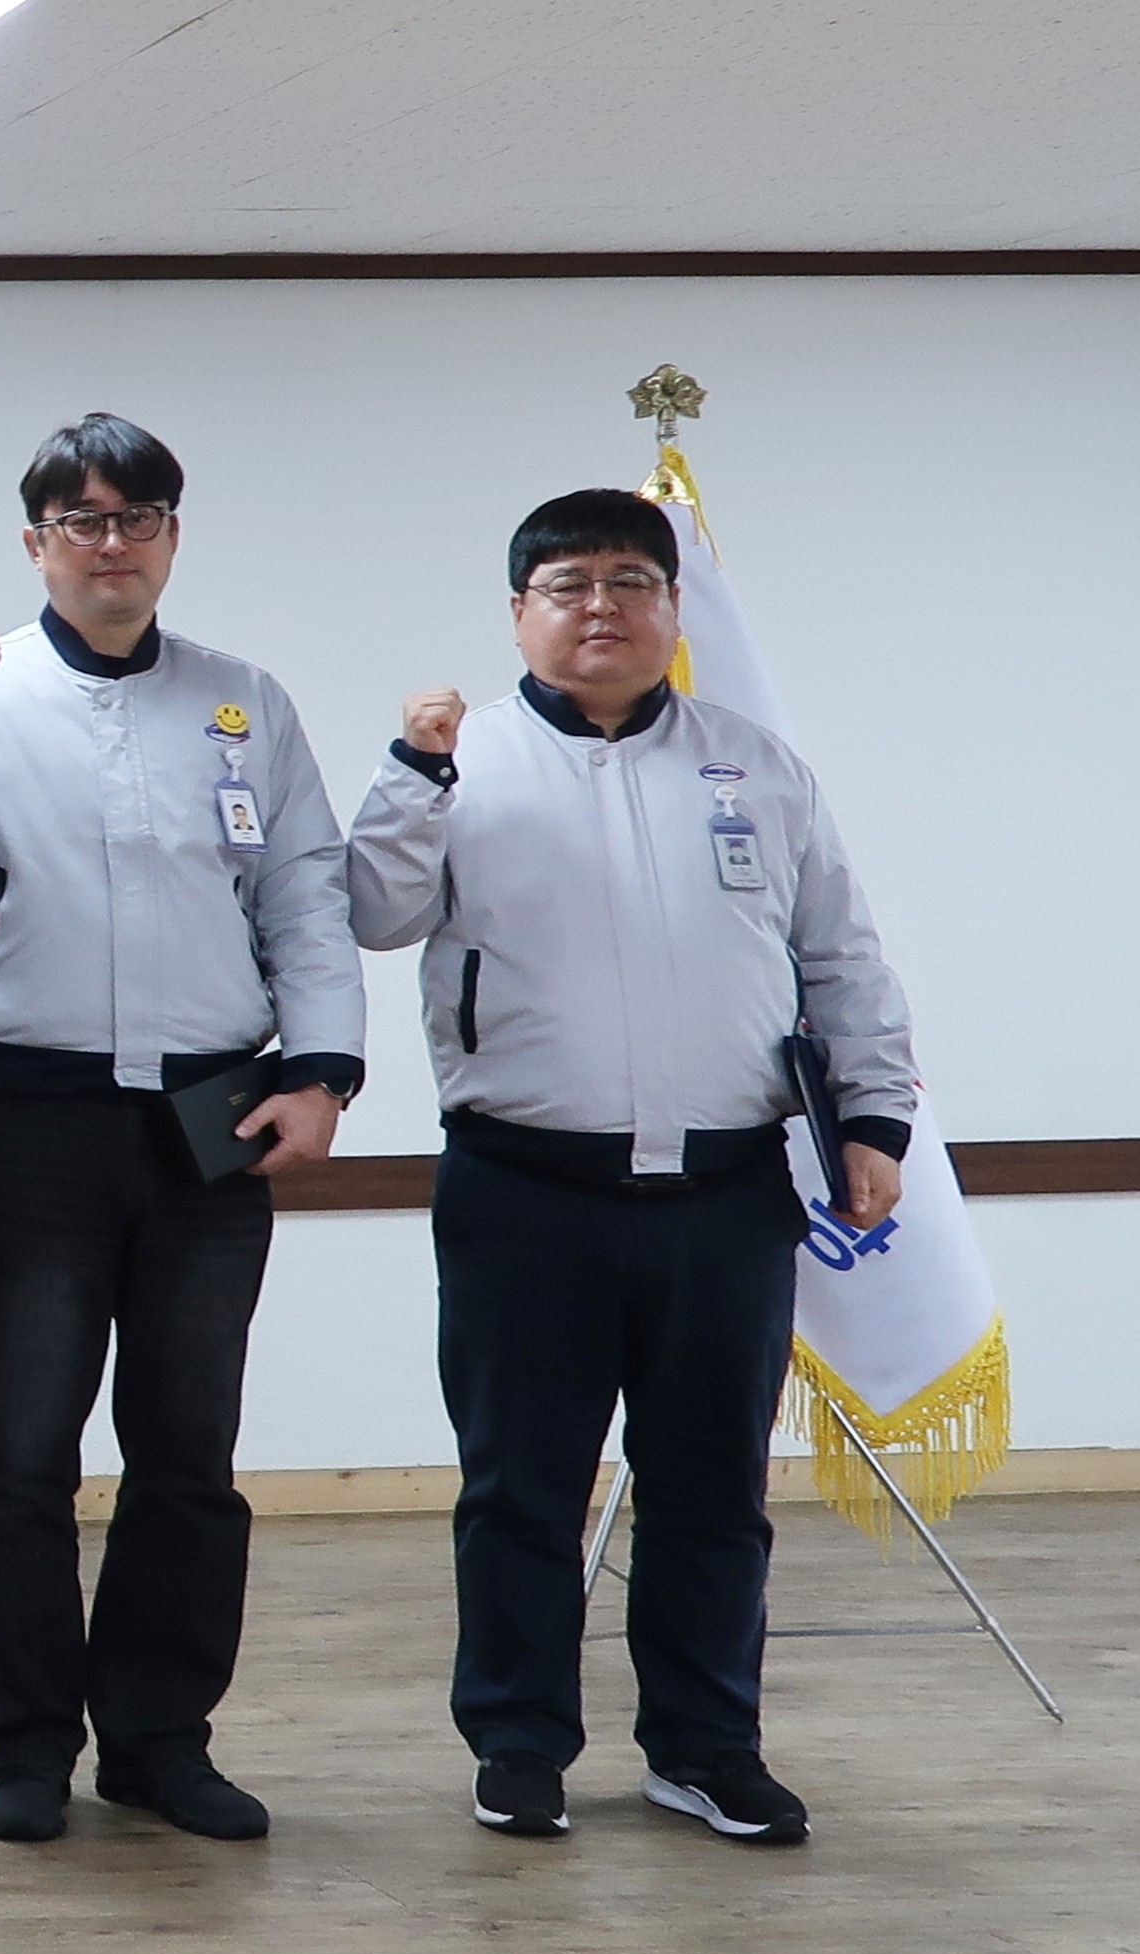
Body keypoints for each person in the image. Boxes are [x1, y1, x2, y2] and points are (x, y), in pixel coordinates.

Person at [348, 487, 912, 1850]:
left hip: (725, 1193)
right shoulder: (459, 760)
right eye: (566, 584)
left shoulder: (753, 767)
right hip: (523, 1190)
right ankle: (518, 1744)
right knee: (520, 1490)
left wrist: (875, 1120)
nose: (598, 606)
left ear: (671, 605)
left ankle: (705, 1748)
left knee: (712, 1490)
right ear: (518, 613)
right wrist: (411, 771)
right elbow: (372, 910)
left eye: (627, 580)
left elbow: (840, 954)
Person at [0, 414, 363, 1848]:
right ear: (34, 543)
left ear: (170, 537)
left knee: (188, 1453)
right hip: (38, 1114)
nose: (110, 544)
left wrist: (323, 1071)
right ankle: (28, 1740)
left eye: (136, 517)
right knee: (21, 1452)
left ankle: (157, 1740)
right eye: (79, 521)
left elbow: (305, 893)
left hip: (212, 1117)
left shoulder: (240, 700)